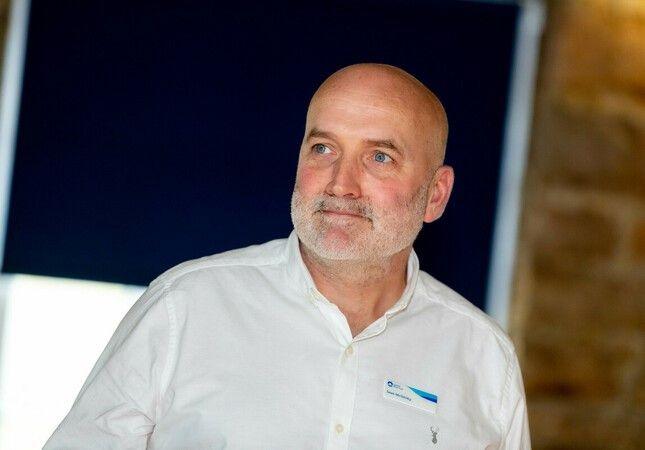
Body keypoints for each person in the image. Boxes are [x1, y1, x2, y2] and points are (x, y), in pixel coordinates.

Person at [44, 63, 531, 449]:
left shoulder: (483, 360)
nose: (341, 184)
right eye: (323, 148)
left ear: (435, 196)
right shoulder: (185, 307)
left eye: (379, 158)